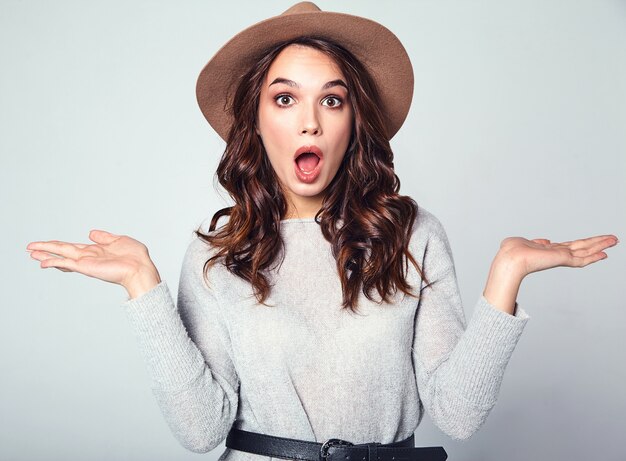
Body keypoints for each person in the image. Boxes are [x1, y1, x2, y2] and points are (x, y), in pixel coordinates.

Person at [25, 3, 617, 461]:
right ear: (255, 121)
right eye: (284, 99)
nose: (309, 120)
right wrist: (141, 286)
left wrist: (505, 279)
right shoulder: (217, 256)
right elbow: (202, 431)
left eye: (332, 101)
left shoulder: (412, 235)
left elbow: (457, 416)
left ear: (354, 121)